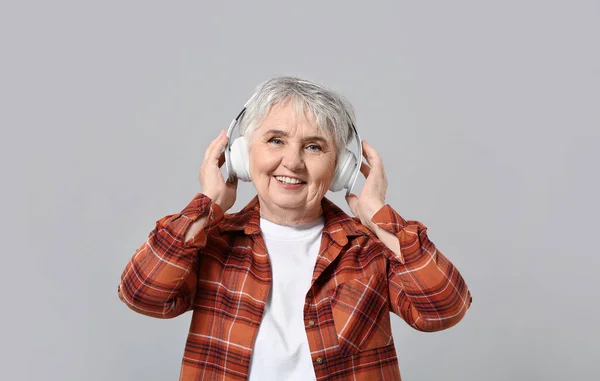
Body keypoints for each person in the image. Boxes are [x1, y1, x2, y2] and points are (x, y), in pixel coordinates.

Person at [118, 76, 472, 380]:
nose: (292, 162)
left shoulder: (369, 250)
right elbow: (142, 294)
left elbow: (443, 309)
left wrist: (379, 216)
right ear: (241, 156)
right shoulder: (210, 241)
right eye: (275, 140)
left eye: (314, 147)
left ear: (339, 170)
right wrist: (208, 203)